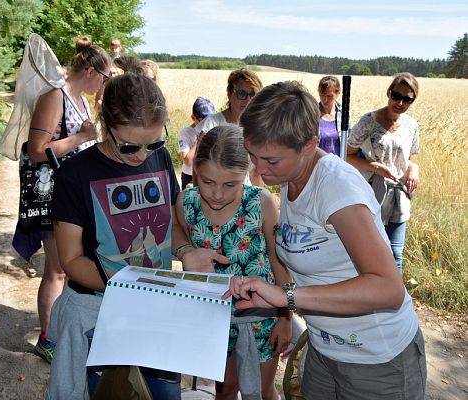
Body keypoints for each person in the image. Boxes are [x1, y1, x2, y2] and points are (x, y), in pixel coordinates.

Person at [229, 80, 426, 400]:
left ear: (308, 145)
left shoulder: (336, 188)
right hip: (326, 350)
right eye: (254, 156)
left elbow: (388, 289)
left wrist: (287, 298)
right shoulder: (291, 174)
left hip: (376, 360)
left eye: (271, 161)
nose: (260, 170)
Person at [46, 58, 227, 400]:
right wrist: (130, 287)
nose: (142, 155)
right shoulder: (75, 174)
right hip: (96, 313)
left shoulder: (157, 160)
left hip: (153, 310)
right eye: (129, 145)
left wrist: (186, 251)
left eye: (154, 143)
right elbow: (70, 260)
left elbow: (169, 225)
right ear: (105, 124)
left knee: (161, 394)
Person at [175, 125, 292, 400]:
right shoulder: (186, 202)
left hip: (261, 318)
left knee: (262, 391)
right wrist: (184, 251)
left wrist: (285, 319)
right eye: (207, 182)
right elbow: (175, 232)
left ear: (247, 175)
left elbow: (279, 263)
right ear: (196, 172)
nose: (217, 194)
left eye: (230, 184)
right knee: (225, 389)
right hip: (213, 321)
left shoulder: (261, 203)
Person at [25, 35, 110, 364]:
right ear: (90, 71)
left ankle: (64, 333)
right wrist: (82, 137)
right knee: (58, 270)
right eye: (103, 78)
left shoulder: (82, 101)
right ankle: (47, 338)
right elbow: (36, 151)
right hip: (54, 197)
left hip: (75, 198)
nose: (103, 85)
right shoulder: (54, 97)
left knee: (71, 268)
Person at [346, 72, 420, 272]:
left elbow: (408, 161)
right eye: (396, 96)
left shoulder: (412, 125)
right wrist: (376, 167)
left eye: (407, 99)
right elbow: (348, 155)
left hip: (398, 196)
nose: (400, 103)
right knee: (368, 251)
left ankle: (395, 300)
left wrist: (414, 170)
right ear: (389, 93)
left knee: (396, 252)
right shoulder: (368, 121)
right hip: (371, 193)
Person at [195, 68, 264, 186]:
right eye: (241, 93)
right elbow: (198, 165)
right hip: (217, 193)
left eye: (253, 94)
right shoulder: (212, 124)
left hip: (246, 194)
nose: (248, 100)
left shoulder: (257, 128)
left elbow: (257, 172)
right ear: (229, 94)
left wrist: (260, 198)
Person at [177, 97, 216, 189]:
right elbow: (188, 162)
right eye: (203, 121)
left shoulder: (215, 129)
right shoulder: (186, 133)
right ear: (193, 118)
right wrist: (199, 141)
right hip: (190, 177)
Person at [317, 76, 343, 156]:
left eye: (329, 96)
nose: (325, 100)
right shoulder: (312, 114)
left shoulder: (344, 114)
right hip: (319, 165)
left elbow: (348, 143)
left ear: (338, 94)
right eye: (322, 95)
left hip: (339, 165)